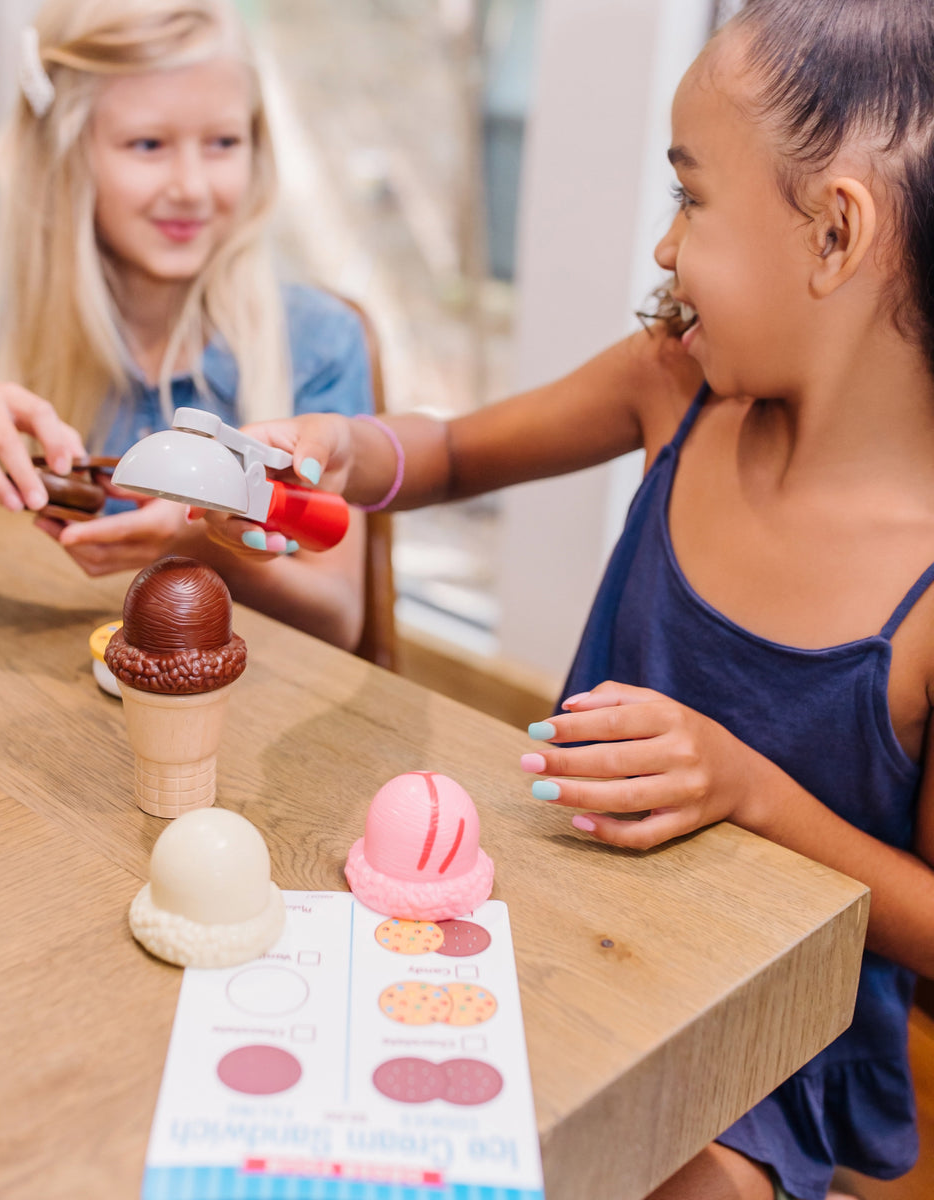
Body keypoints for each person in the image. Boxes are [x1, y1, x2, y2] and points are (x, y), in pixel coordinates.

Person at [229, 1, 934, 1197]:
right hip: (533, 934)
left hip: (763, 1061)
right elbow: (449, 452)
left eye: (692, 199)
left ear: (834, 233)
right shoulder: (675, 389)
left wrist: (747, 792)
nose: (665, 252)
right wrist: (348, 450)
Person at [0, 0, 372, 651]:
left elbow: (339, 619)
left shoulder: (320, 343)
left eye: (223, 143)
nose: (191, 186)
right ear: (66, 156)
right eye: (147, 145)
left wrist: (209, 549)